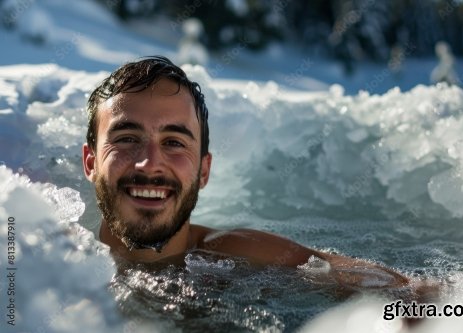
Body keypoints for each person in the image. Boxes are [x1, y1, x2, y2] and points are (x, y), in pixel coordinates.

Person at [82, 56, 437, 301]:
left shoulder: (242, 257)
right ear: (91, 161)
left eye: (174, 142)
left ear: (204, 171)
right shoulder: (38, 257)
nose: (149, 164)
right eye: (127, 138)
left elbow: (416, 294)